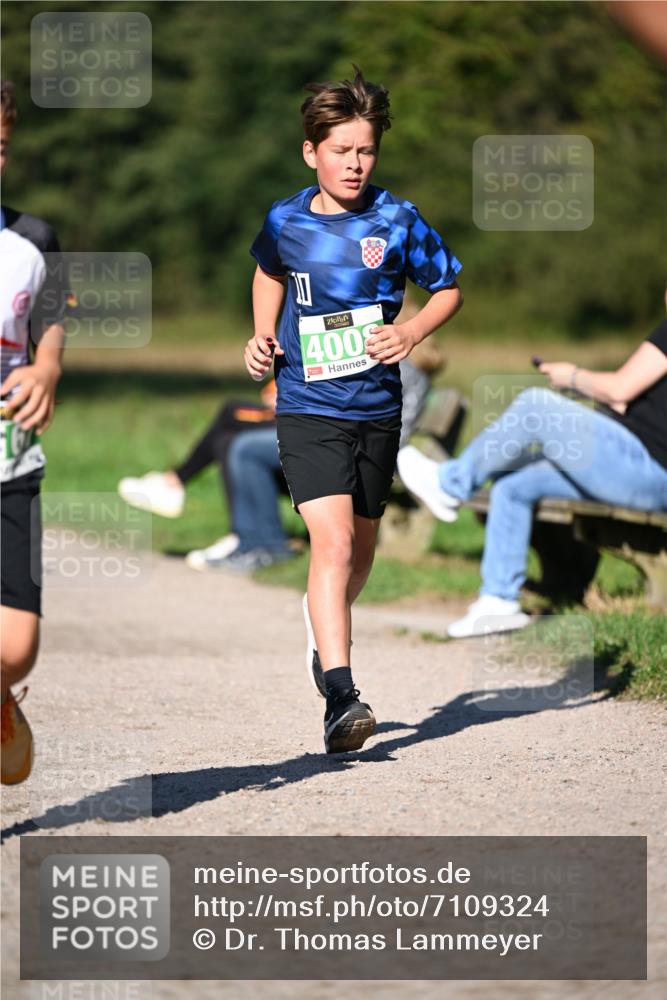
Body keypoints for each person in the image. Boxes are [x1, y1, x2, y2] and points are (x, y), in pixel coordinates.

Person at [244, 67, 463, 753]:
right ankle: (341, 696)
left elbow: (447, 286)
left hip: (376, 409)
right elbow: (266, 271)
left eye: (365, 151)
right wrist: (261, 336)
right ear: (311, 152)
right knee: (332, 543)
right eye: (341, 151)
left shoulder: (396, 219)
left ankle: (323, 629)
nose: (355, 164)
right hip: (308, 405)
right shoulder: (285, 219)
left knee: (359, 551)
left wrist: (409, 333)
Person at [397, 305, 667, 638]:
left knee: (536, 406)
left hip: (643, 467)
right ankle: (499, 600)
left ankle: (452, 484)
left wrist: (571, 375)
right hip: (640, 472)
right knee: (514, 485)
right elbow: (628, 403)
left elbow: (619, 390)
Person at [1, 81, 67, 784]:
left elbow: (49, 319)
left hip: (9, 459)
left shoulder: (32, 240)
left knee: (16, 650)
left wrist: (46, 368)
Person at [118, 380, 295, 570]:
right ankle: (243, 536)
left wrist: (288, 394)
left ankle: (175, 482)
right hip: (298, 409)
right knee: (225, 440)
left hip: (312, 419)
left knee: (236, 425)